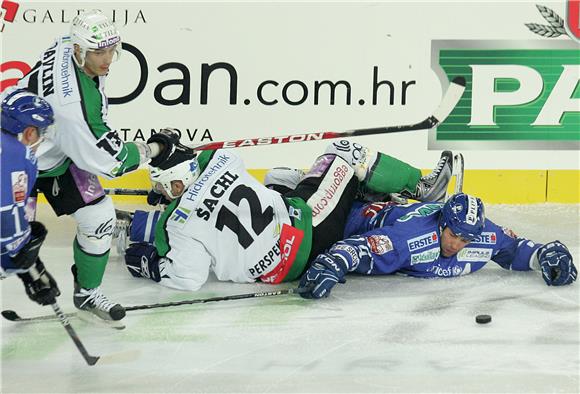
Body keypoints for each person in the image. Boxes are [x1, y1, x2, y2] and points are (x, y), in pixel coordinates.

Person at [121, 129, 459, 291]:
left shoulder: (173, 227)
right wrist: (168, 147)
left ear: (173, 186)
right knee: (344, 151)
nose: (162, 193)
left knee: (279, 177)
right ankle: (423, 188)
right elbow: (200, 160)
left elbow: (188, 277)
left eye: (162, 187)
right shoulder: (220, 160)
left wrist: (150, 264)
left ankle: (128, 227)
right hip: (309, 225)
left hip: (282, 271)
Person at [15, 10, 166, 324]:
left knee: (98, 217)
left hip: (56, 150)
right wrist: (154, 150)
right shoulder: (74, 108)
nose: (107, 58)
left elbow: (87, 138)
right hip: (14, 160)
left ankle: (87, 292)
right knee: (9, 244)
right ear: (79, 50)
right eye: (99, 52)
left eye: (111, 49)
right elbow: (109, 161)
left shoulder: (67, 43)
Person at [298, 193, 577, 299]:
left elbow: (514, 250)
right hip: (339, 219)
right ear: (442, 223)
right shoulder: (413, 239)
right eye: (453, 235)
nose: (457, 245)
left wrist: (544, 255)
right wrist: (334, 262)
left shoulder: (483, 235)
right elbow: (360, 247)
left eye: (465, 239)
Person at [1, 88, 61, 307]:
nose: (42, 137)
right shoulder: (19, 156)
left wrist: (31, 271)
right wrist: (25, 259)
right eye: (41, 131)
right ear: (29, 132)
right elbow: (6, 222)